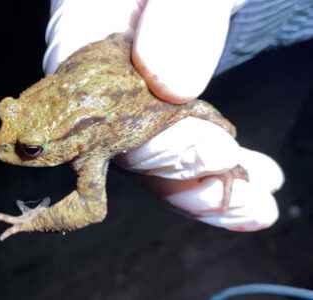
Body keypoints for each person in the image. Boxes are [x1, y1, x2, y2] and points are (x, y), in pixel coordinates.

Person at [42, 0, 313, 231]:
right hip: (147, 73)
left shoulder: (89, 140)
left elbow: (92, 206)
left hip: (158, 97)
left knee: (210, 139)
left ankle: (292, 184)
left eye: (31, 149)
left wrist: (37, 220)